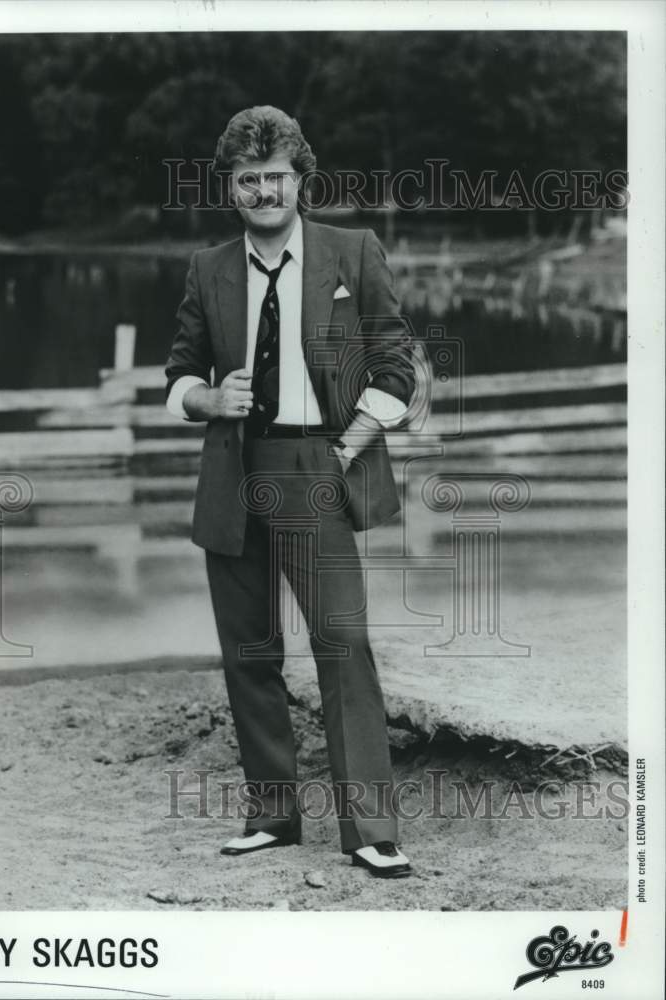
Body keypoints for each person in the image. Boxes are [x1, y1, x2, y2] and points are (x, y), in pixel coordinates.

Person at [165, 106, 415, 878]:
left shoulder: (351, 251)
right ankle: (272, 816)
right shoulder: (208, 268)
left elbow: (398, 375)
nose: (263, 191)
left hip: (318, 467)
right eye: (248, 179)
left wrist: (344, 450)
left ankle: (370, 829)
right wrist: (206, 400)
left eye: (276, 176)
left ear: (300, 180)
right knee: (249, 650)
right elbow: (176, 374)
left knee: (343, 648)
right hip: (233, 473)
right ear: (231, 188)